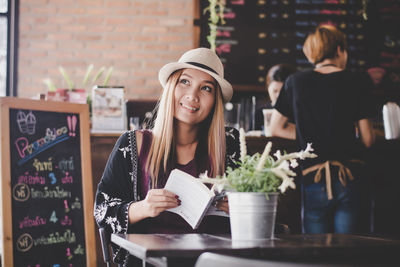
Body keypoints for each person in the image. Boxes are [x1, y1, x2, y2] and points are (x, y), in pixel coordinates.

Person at [94, 48, 240, 265]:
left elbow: (261, 211)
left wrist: (241, 206)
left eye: (206, 88)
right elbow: (102, 211)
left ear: (215, 101)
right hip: (151, 262)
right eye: (185, 82)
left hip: (217, 262)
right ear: (171, 86)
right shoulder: (133, 144)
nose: (193, 95)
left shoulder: (231, 144)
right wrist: (143, 207)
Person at [270, 25, 376, 234]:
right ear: (339, 50)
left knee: (316, 251)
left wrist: (309, 134)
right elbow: (368, 139)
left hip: (313, 177)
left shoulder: (295, 82)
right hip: (349, 177)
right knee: (347, 251)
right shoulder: (359, 81)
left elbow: (275, 127)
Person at [255, 64, 297, 131]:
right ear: (268, 88)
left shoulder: (298, 114)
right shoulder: (259, 114)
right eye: (275, 91)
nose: (278, 96)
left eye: (282, 92)